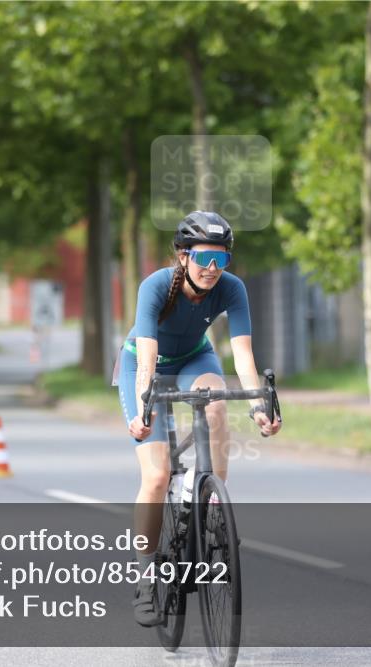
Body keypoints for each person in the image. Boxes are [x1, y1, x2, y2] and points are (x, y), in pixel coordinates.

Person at [114, 210, 282, 626]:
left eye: (221, 260)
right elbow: (149, 352)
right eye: (204, 258)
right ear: (183, 256)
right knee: (155, 477)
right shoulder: (156, 286)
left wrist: (259, 406)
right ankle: (146, 577)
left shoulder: (231, 289)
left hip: (194, 358)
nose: (212, 269)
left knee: (218, 401)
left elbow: (243, 354)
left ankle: (212, 507)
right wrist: (143, 407)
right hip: (143, 363)